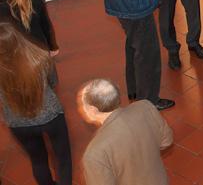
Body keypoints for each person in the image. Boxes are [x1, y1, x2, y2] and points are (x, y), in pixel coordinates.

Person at [0, 21, 72, 185]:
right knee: (63, 159)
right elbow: (53, 82)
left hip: (18, 122)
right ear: (17, 39)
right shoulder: (40, 57)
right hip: (51, 116)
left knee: (38, 160)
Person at [78, 78, 173, 185]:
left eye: (83, 103)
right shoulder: (145, 106)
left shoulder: (94, 154)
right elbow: (167, 141)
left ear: (92, 109)